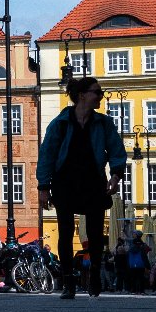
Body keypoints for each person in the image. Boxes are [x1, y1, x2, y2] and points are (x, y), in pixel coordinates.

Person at [39, 75, 127, 300]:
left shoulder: (104, 123)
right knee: (65, 232)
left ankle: (95, 276)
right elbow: (47, 154)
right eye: (97, 92)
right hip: (64, 182)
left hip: (93, 182)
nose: (101, 96)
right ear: (82, 95)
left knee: (96, 233)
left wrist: (116, 175)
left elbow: (117, 150)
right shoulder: (60, 123)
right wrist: (43, 186)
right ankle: (69, 282)